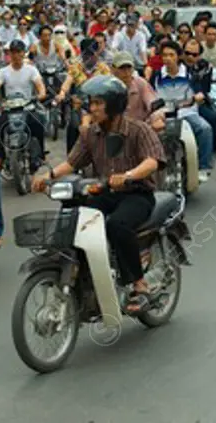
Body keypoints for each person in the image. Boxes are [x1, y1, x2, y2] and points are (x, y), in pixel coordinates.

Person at [32, 76, 166, 314]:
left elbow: (152, 161)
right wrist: (48, 175)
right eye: (90, 103)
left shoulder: (138, 130)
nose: (91, 109)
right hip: (105, 192)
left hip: (137, 194)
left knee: (117, 224)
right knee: (74, 215)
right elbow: (72, 164)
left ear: (113, 105)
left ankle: (139, 284)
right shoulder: (90, 133)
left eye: (97, 103)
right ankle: (77, 267)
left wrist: (129, 175)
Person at [151, 39, 214, 183]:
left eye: (171, 55)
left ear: (178, 56)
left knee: (205, 129)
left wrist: (198, 97)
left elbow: (200, 92)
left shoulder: (190, 74)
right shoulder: (156, 76)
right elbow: (150, 95)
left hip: (187, 113)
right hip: (162, 115)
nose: (167, 59)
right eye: (164, 55)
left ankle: (203, 167)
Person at [0, 40, 48, 170]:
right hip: (9, 107)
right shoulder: (3, 71)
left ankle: (40, 155)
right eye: (13, 52)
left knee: (38, 124)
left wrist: (41, 94)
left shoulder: (31, 70)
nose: (16, 55)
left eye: (18, 52)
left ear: (23, 53)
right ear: (9, 53)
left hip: (27, 106)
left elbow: (40, 86)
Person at [58, 38, 112, 151]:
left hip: (99, 106)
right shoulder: (75, 67)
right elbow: (67, 82)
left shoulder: (104, 69)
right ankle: (72, 160)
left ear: (97, 53)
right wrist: (62, 93)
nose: (89, 57)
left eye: (92, 54)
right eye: (86, 54)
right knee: (73, 126)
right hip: (80, 105)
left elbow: (110, 85)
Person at [181, 37, 216, 151]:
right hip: (180, 102)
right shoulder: (178, 66)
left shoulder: (205, 67)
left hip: (199, 100)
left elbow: (206, 88)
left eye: (194, 54)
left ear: (199, 55)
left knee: (214, 116)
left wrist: (200, 96)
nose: (190, 57)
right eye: (187, 53)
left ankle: (211, 145)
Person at [112, 51, 164, 130]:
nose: (126, 72)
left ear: (133, 69)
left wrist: (157, 118)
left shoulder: (141, 83)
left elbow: (152, 103)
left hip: (140, 130)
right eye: (122, 68)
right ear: (113, 69)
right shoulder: (108, 87)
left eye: (129, 68)